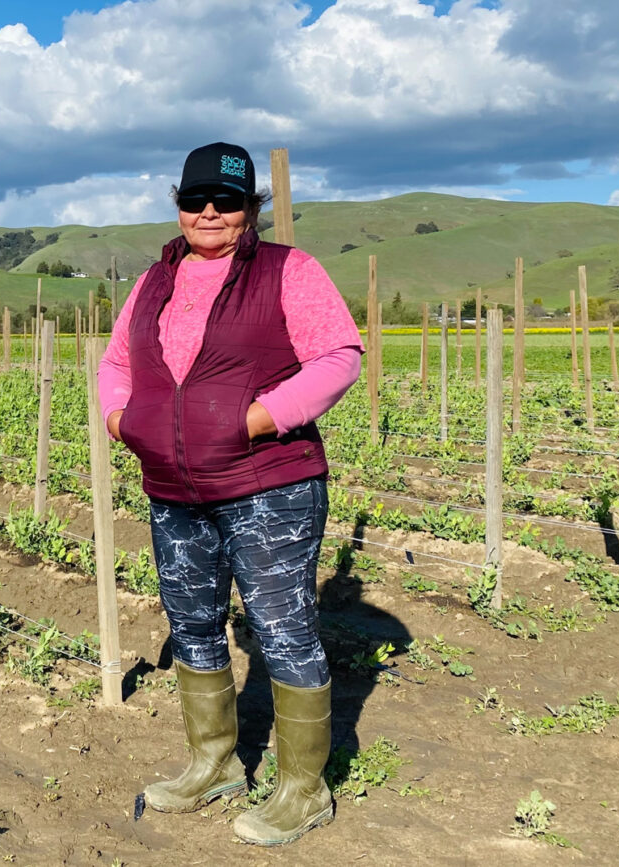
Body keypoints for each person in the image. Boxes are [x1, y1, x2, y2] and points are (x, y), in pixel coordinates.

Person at [99, 142, 363, 846]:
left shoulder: (289, 271)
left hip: (268, 485)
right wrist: (123, 421)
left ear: (252, 209)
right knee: (191, 624)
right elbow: (117, 362)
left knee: (281, 630)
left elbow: (339, 357)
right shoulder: (155, 280)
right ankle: (212, 763)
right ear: (178, 206)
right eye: (195, 200)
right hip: (175, 487)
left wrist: (259, 418)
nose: (209, 212)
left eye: (227, 200)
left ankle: (303, 789)